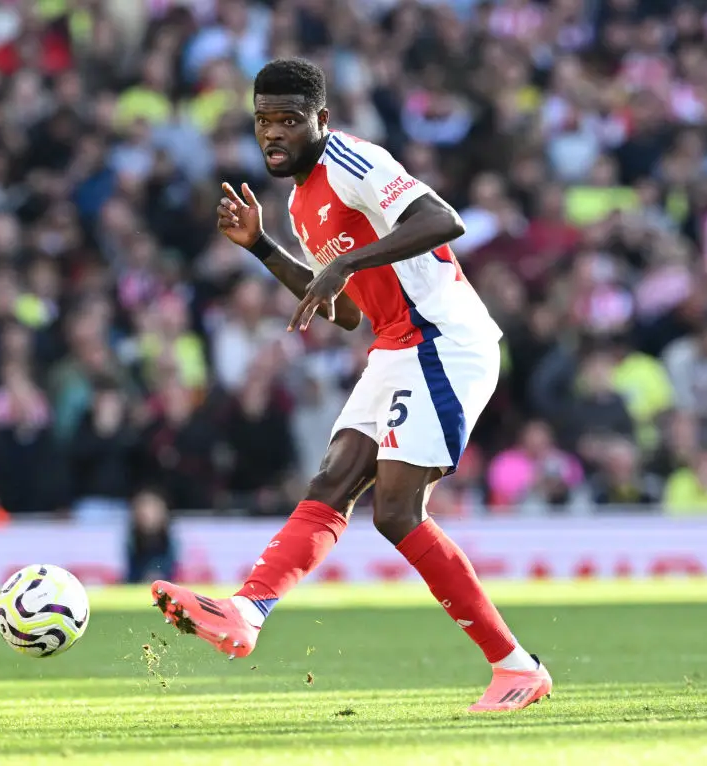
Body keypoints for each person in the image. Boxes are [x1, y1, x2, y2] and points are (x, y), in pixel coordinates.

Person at [151, 58, 551, 713]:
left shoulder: (354, 161)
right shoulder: (300, 201)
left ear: (322, 120)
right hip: (395, 343)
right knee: (332, 480)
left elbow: (443, 219)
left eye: (288, 120)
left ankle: (515, 666)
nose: (273, 134)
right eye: (263, 122)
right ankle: (246, 613)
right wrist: (261, 247)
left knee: (395, 512)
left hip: (442, 337)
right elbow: (341, 311)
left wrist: (345, 260)